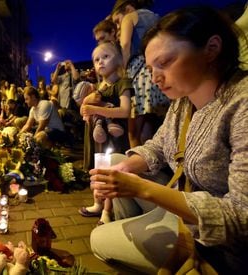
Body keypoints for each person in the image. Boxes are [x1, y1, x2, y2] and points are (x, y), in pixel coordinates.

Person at [89, 7, 248, 274]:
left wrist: (140, 189)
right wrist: (126, 170)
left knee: (99, 240)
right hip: (184, 211)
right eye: (151, 68)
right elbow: (158, 146)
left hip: (220, 245)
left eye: (165, 62)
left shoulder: (240, 104)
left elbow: (241, 217)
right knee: (118, 162)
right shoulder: (183, 102)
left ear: (211, 48)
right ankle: (143, 240)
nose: (155, 78)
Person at [78, 42, 133, 225]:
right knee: (100, 167)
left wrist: (98, 110)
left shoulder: (122, 83)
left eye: (106, 57)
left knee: (111, 169)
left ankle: (108, 211)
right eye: (96, 59)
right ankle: (97, 202)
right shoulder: (99, 88)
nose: (100, 62)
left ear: (118, 59)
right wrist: (88, 109)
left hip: (116, 134)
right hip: (98, 134)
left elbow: (124, 110)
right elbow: (85, 108)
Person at [110, 0, 170, 148]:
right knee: (148, 126)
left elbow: (125, 45)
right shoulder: (156, 17)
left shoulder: (130, 17)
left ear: (128, 8)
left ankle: (136, 168)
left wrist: (123, 69)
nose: (118, 26)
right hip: (155, 70)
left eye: (118, 21)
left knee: (133, 131)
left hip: (139, 74)